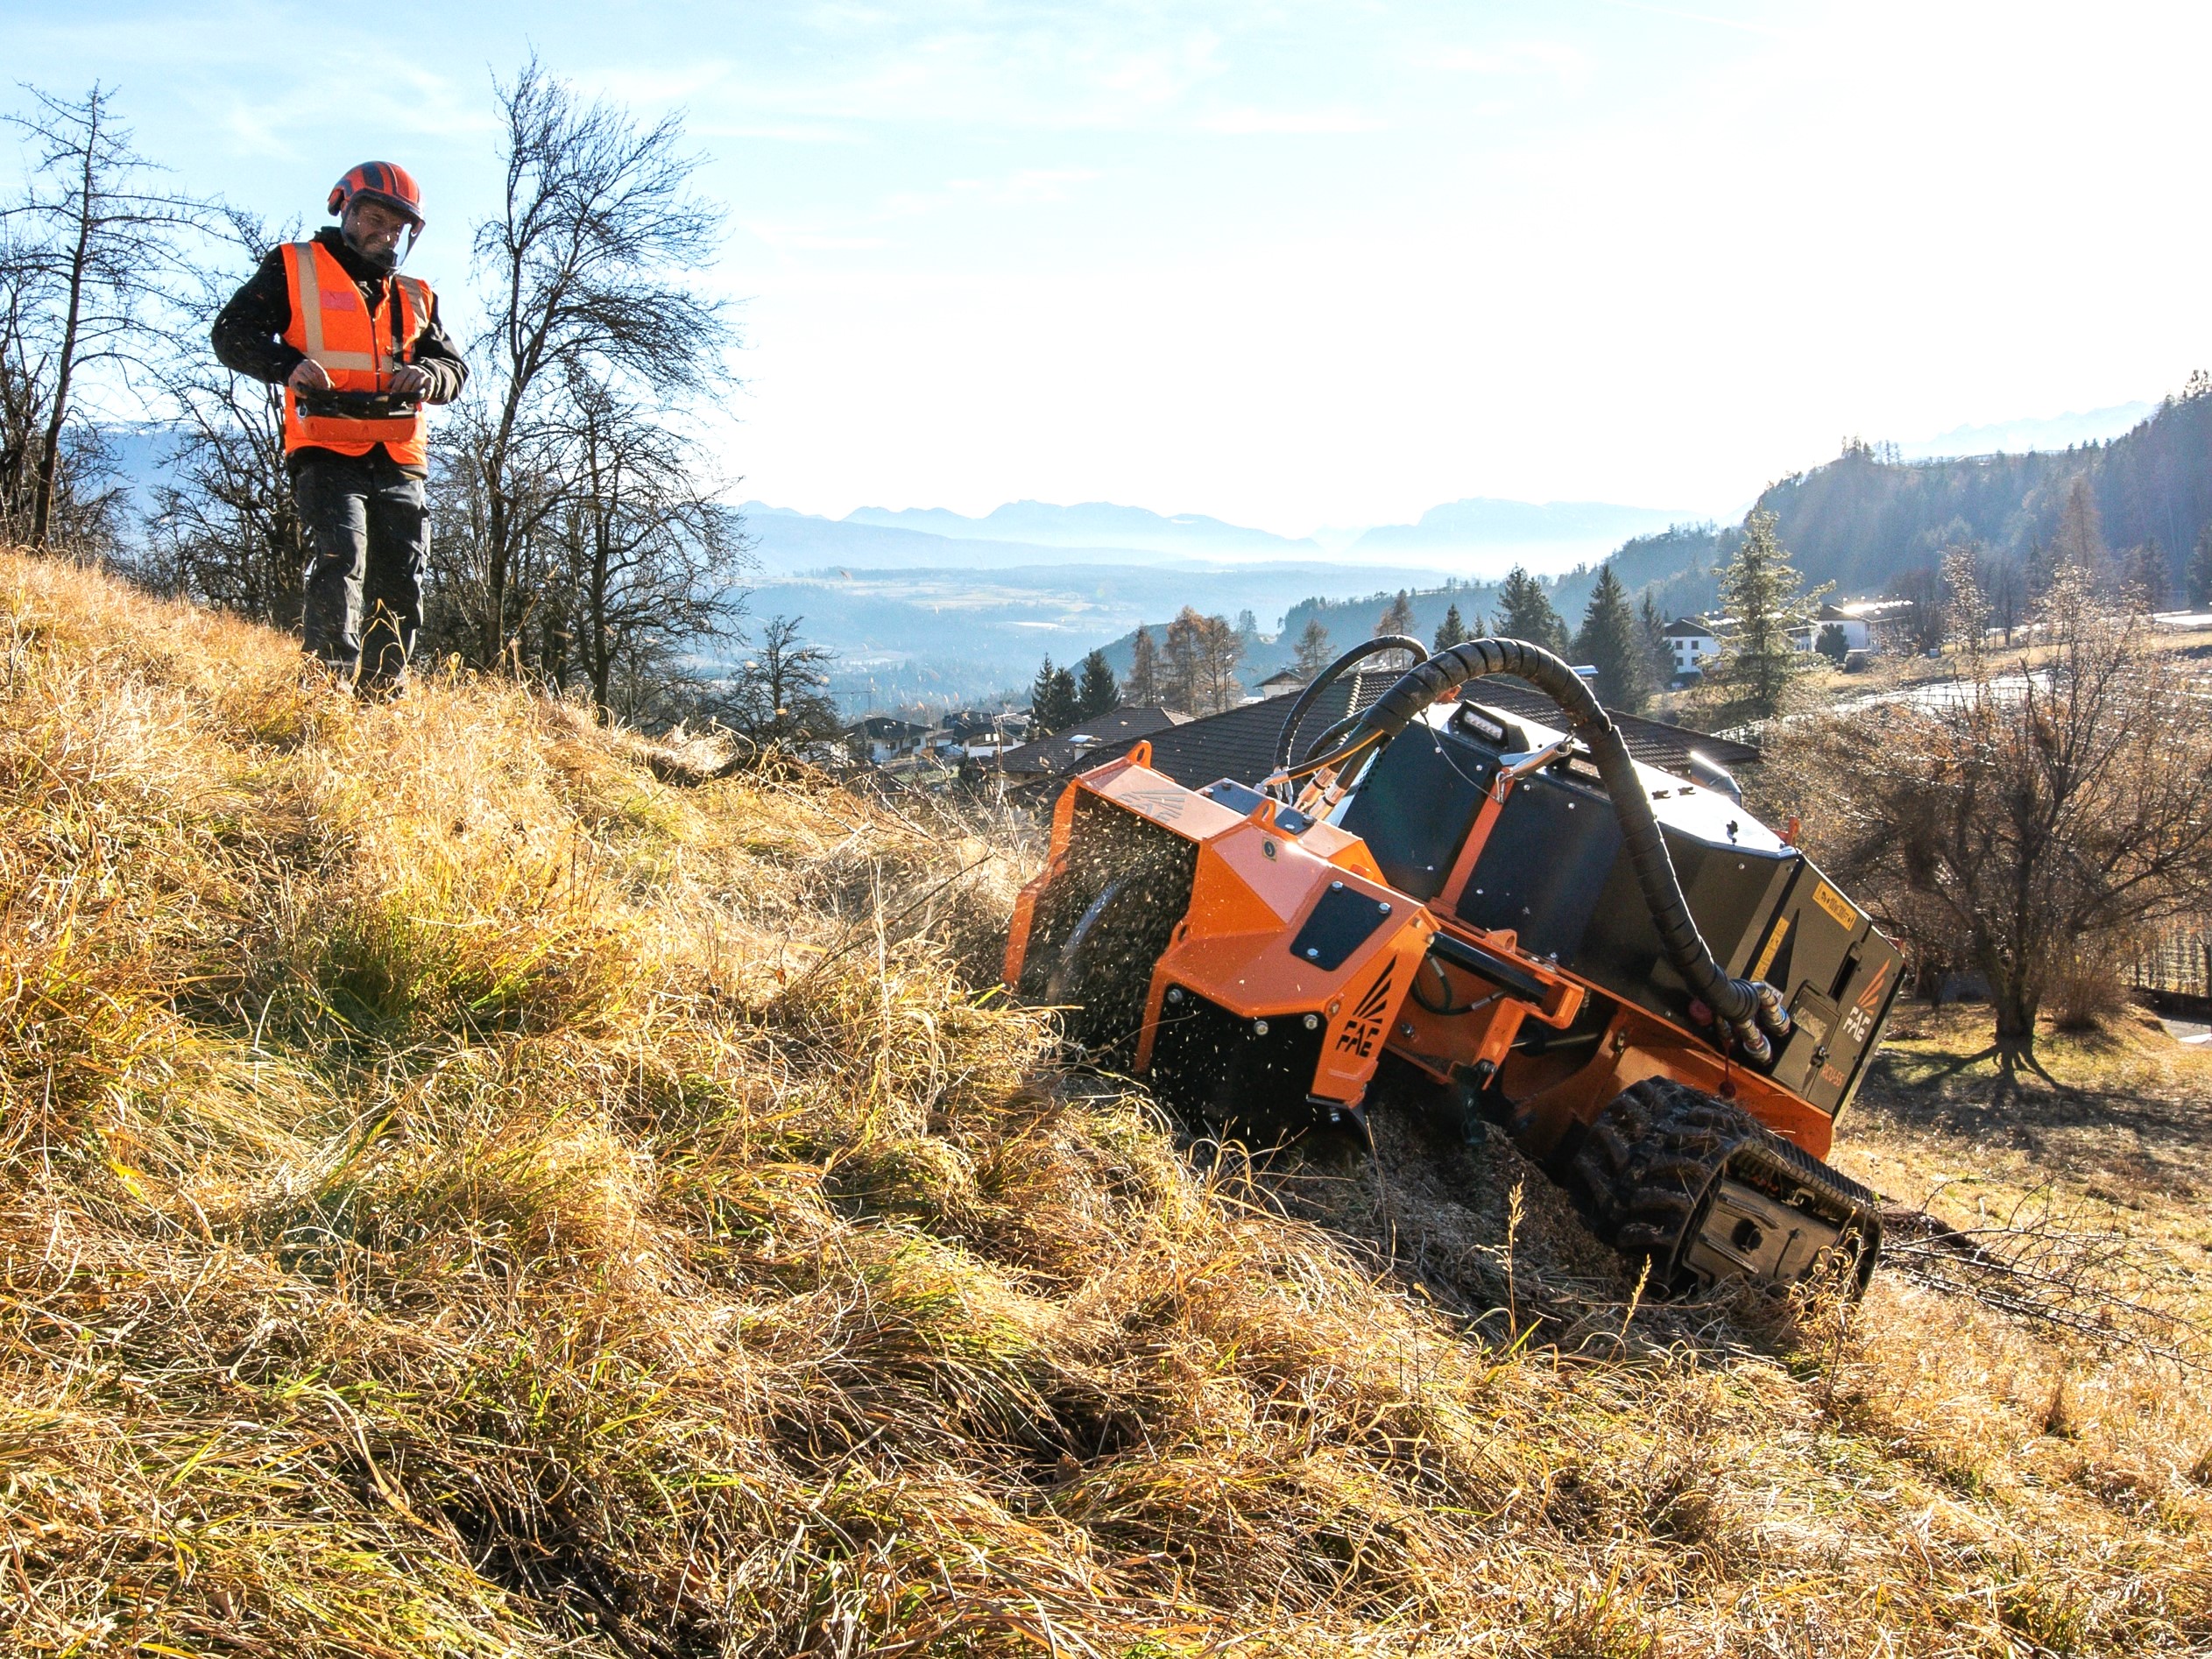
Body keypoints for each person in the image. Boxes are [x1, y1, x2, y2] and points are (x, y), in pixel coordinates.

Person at [213, 162, 468, 697]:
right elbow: (231, 333)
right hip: (325, 447)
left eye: (398, 227)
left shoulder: (416, 294)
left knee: (400, 579)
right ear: (345, 209)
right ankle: (324, 696)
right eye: (375, 217)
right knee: (340, 561)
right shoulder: (294, 267)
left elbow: (454, 369)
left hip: (399, 455)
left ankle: (381, 701)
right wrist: (287, 367)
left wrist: (430, 375)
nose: (386, 232)